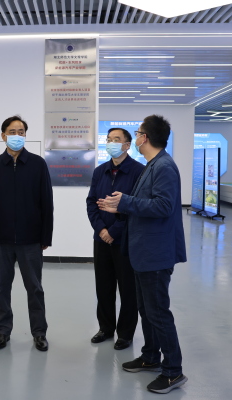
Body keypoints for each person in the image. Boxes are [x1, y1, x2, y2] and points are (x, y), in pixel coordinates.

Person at [99, 115, 187, 394]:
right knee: (146, 310)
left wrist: (125, 202)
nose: (135, 137)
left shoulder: (164, 167)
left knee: (158, 312)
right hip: (143, 252)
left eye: (137, 133)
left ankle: (173, 371)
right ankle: (151, 356)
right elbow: (144, 204)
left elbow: (163, 206)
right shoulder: (153, 165)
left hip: (156, 253)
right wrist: (120, 207)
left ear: (144, 138)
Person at [0, 115, 53, 352]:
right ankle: (3, 331)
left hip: (31, 240)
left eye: (21, 132)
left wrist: (46, 236)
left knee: (35, 288)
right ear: (3, 136)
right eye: (12, 132)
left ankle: (39, 333)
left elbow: (47, 202)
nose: (17, 136)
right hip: (0, 240)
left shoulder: (38, 164)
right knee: (1, 288)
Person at [86, 127, 144, 350]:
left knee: (128, 289)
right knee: (104, 286)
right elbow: (92, 203)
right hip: (101, 240)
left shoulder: (138, 172)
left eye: (116, 139)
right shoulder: (100, 171)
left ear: (127, 145)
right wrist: (101, 229)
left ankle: (125, 334)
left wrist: (114, 231)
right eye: (109, 139)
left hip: (126, 240)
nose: (111, 143)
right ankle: (105, 328)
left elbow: (135, 207)